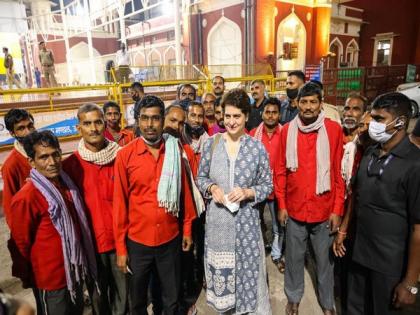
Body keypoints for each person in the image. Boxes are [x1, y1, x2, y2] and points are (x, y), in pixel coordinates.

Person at [334, 92, 420, 315]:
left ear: (400, 122)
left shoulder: (415, 164)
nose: (372, 123)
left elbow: (418, 229)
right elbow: (356, 194)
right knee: (353, 307)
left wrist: (410, 282)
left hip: (389, 264)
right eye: (372, 117)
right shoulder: (371, 153)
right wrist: (343, 230)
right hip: (359, 253)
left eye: (379, 119)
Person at [113, 95, 196, 315]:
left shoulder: (174, 151)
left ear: (163, 120)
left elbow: (184, 193)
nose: (150, 125)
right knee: (138, 300)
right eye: (145, 118)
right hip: (138, 242)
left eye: (156, 118)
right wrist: (121, 249)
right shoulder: (125, 156)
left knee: (171, 298)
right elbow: (120, 205)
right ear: (137, 121)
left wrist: (187, 228)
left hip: (170, 239)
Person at [196, 88, 273, 314]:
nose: (231, 122)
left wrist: (248, 192)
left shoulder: (257, 148)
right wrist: (212, 187)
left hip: (246, 225)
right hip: (219, 225)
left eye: (236, 116)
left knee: (248, 275)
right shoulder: (211, 144)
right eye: (227, 116)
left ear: (246, 116)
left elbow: (267, 185)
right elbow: (201, 177)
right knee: (224, 283)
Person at [274, 82, 345, 315]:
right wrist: (282, 205)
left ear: (320, 104)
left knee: (324, 261)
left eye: (313, 102)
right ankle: (294, 297)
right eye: (303, 102)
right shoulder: (286, 131)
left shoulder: (333, 130)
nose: (307, 107)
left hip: (323, 210)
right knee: (293, 258)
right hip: (295, 209)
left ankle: (327, 303)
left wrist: (336, 209)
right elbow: (281, 171)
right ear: (297, 104)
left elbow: (337, 173)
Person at [10, 130, 98, 315]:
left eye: (55, 154)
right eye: (43, 157)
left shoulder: (67, 184)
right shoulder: (27, 197)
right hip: (50, 281)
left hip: (73, 274)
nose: (52, 162)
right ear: (31, 162)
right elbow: (20, 243)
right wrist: (29, 277)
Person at [63, 104, 128, 315]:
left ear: (105, 123)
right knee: (98, 299)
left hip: (120, 243)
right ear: (78, 128)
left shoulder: (122, 157)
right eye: (87, 123)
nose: (93, 128)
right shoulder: (70, 166)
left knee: (124, 296)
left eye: (98, 122)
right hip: (90, 246)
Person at [249, 97, 284, 270]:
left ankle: (277, 255)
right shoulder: (253, 134)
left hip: (278, 188)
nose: (270, 116)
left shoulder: (285, 134)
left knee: (278, 224)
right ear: (262, 114)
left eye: (274, 112)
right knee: (255, 221)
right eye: (267, 112)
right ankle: (260, 250)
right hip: (257, 187)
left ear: (279, 114)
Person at [2, 109, 35, 227]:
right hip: (33, 224)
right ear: (12, 133)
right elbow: (9, 206)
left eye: (30, 126)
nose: (28, 131)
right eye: (21, 128)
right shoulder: (11, 165)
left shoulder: (44, 151)